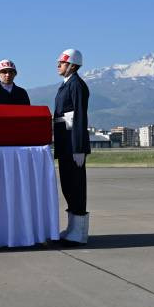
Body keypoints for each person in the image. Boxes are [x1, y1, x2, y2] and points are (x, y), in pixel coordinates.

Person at [53, 48, 91, 244]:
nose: (58, 65)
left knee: (76, 187)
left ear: (73, 65)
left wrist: (79, 147)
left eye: (62, 62)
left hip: (72, 145)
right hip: (65, 144)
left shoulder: (76, 85)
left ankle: (79, 233)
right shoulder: (66, 84)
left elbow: (79, 118)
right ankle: (72, 228)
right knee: (68, 186)